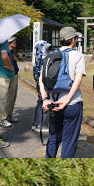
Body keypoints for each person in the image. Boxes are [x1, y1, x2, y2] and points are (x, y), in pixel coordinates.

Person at [38, 26, 85, 158]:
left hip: (53, 103)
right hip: (72, 103)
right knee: (69, 140)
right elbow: (78, 79)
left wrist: (45, 99)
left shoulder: (50, 55)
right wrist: (66, 100)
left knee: (53, 137)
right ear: (73, 40)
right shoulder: (77, 55)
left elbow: (41, 79)